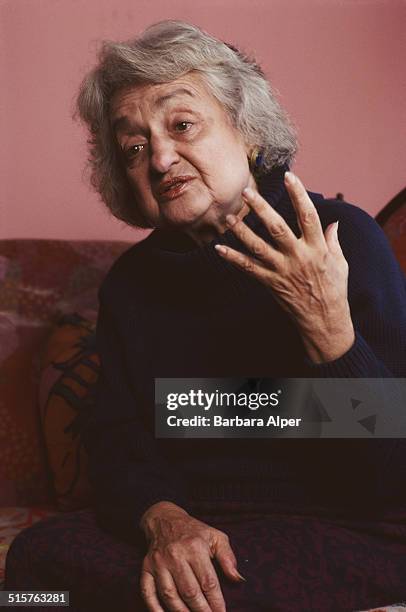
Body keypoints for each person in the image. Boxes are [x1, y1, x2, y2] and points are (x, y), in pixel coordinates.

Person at [6, 20, 406, 612]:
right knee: (32, 581)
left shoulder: (341, 241)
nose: (162, 158)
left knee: (188, 603)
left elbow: (390, 472)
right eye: (134, 147)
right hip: (201, 528)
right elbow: (119, 436)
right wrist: (164, 519)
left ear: (247, 132)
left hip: (348, 528)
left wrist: (329, 332)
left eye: (183, 124)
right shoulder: (133, 286)